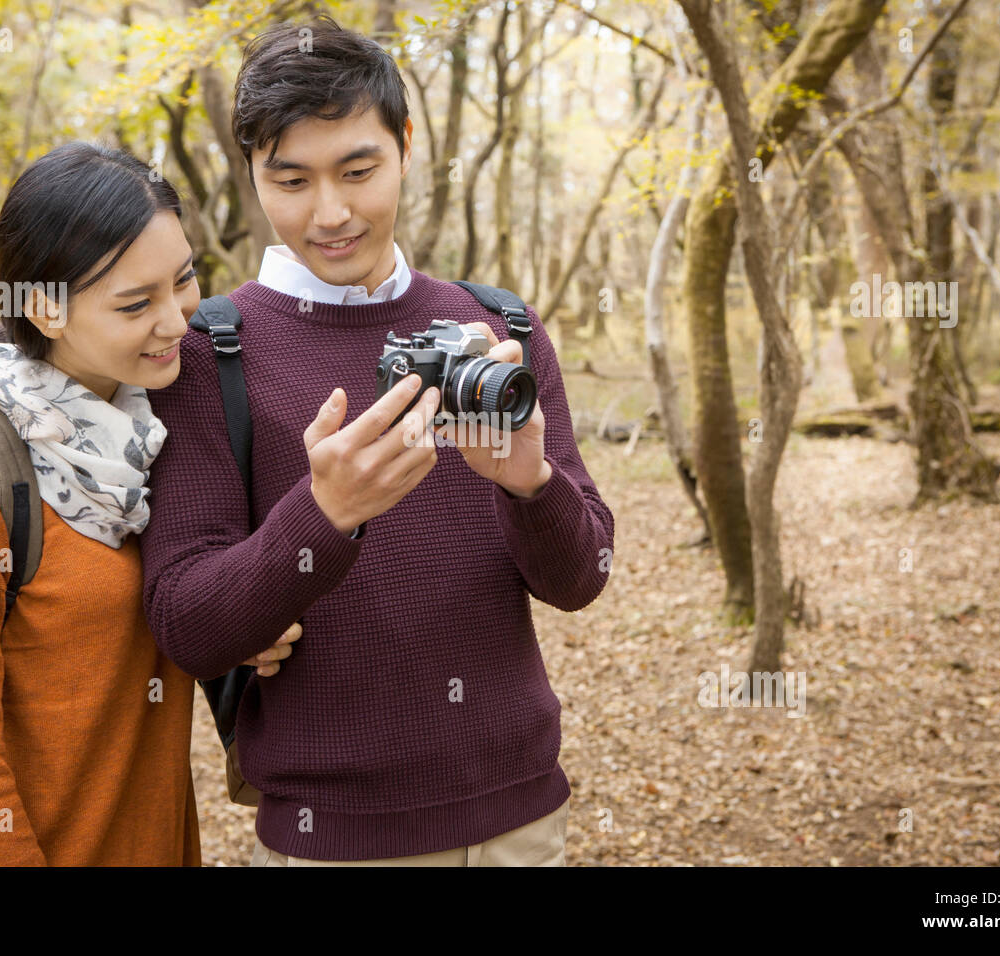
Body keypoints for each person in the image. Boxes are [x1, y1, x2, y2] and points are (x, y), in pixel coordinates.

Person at [140, 16, 614, 866]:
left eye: (358, 171)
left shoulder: (496, 328)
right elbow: (186, 620)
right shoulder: (211, 353)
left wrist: (530, 484)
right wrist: (323, 514)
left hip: (522, 820)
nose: (331, 213)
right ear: (252, 173)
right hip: (334, 840)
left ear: (404, 144)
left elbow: (582, 580)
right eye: (291, 180)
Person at [0, 142, 298, 866]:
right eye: (136, 302)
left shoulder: (155, 429)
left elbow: (144, 618)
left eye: (185, 280)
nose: (176, 319)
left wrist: (231, 627)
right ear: (44, 308)